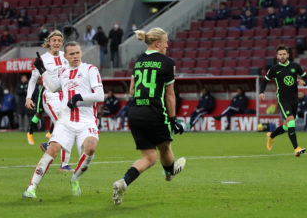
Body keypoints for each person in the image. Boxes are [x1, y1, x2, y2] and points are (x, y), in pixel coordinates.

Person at [112, 28, 185, 205]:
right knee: (165, 147)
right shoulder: (167, 62)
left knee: (149, 158)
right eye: (166, 42)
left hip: (135, 113)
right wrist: (173, 120)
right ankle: (169, 172)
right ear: (157, 43)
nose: (168, 45)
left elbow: (131, 90)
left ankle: (123, 182)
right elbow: (169, 95)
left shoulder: (138, 61)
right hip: (154, 113)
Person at [22, 41, 104, 199]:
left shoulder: (90, 69)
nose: (75, 56)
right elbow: (52, 87)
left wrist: (79, 97)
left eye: (77, 53)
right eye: (71, 54)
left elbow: (100, 95)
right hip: (65, 120)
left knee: (90, 149)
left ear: (81, 53)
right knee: (51, 150)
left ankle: (75, 179)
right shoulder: (64, 72)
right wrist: (42, 69)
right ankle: (31, 188)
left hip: (86, 120)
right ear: (65, 57)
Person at [25, 30, 73, 172]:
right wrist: (28, 97)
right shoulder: (43, 59)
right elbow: (33, 80)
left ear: (62, 43)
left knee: (68, 127)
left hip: (65, 97)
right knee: (64, 124)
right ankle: (63, 164)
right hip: (50, 96)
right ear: (49, 43)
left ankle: (51, 146)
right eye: (54, 40)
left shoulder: (66, 57)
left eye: (59, 40)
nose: (57, 43)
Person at [259, 45, 307, 157]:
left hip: (294, 99)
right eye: (280, 54)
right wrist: (262, 92)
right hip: (282, 98)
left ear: (288, 55)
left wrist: (304, 82)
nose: (282, 56)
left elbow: (306, 77)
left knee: (287, 126)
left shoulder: (295, 66)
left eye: (284, 54)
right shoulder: (274, 69)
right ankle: (296, 148)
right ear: (277, 56)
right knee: (291, 120)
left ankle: (271, 135)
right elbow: (265, 81)